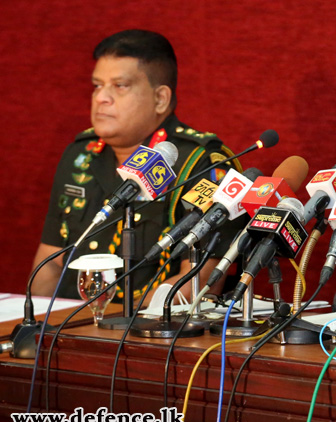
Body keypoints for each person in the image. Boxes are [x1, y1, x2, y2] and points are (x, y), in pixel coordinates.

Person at [31, 29, 240, 301]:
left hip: (147, 332)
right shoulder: (79, 155)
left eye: (120, 86)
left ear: (160, 99)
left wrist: (123, 325)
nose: (101, 97)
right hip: (68, 328)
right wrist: (34, 328)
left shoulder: (200, 164)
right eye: (97, 85)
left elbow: (201, 280)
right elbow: (50, 262)